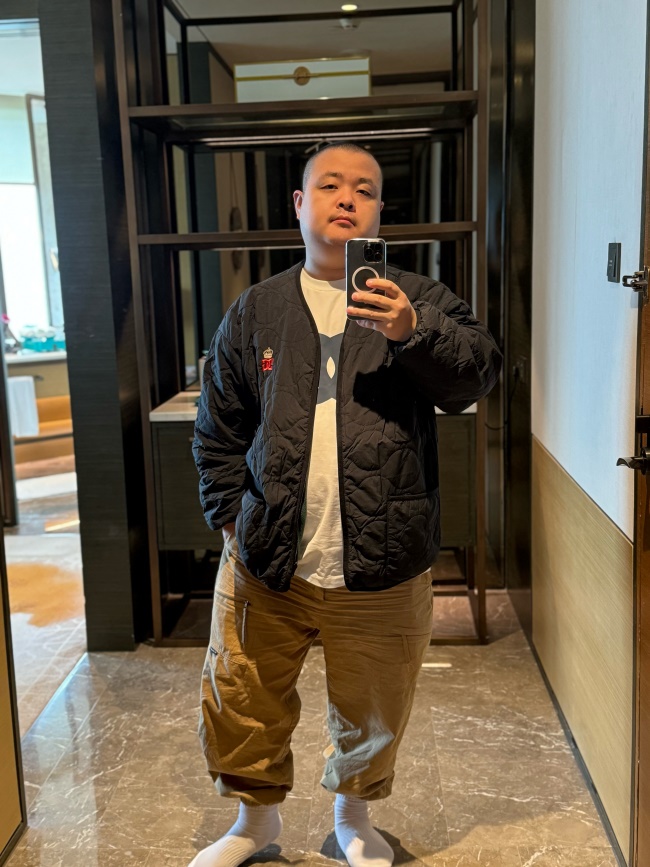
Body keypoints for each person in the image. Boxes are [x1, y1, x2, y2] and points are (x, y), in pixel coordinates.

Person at [191, 142, 502, 867]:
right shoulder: (257, 309)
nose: (346, 198)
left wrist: (412, 332)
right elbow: (219, 424)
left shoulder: (416, 296)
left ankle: (353, 818)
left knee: (374, 701)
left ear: (378, 211)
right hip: (266, 555)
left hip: (384, 557)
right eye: (329, 185)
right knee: (242, 692)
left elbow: (475, 376)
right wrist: (231, 516)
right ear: (299, 205)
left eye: (363, 189)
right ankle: (254, 822)